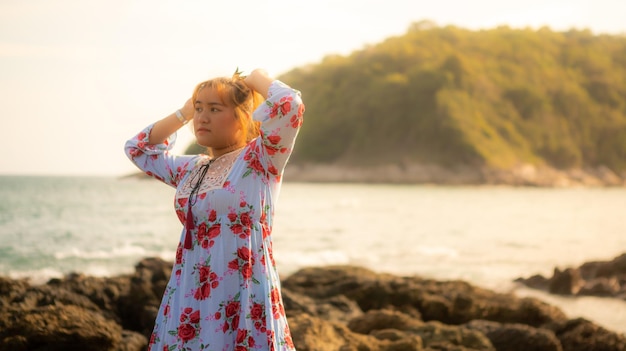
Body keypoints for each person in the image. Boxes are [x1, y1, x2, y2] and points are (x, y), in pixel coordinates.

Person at [124, 68, 304, 350]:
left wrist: (255, 77)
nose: (202, 117)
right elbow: (138, 148)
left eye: (214, 108)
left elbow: (289, 105)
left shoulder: (260, 158)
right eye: (199, 108)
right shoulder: (191, 168)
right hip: (190, 296)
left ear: (242, 116)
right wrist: (183, 113)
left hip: (243, 293)